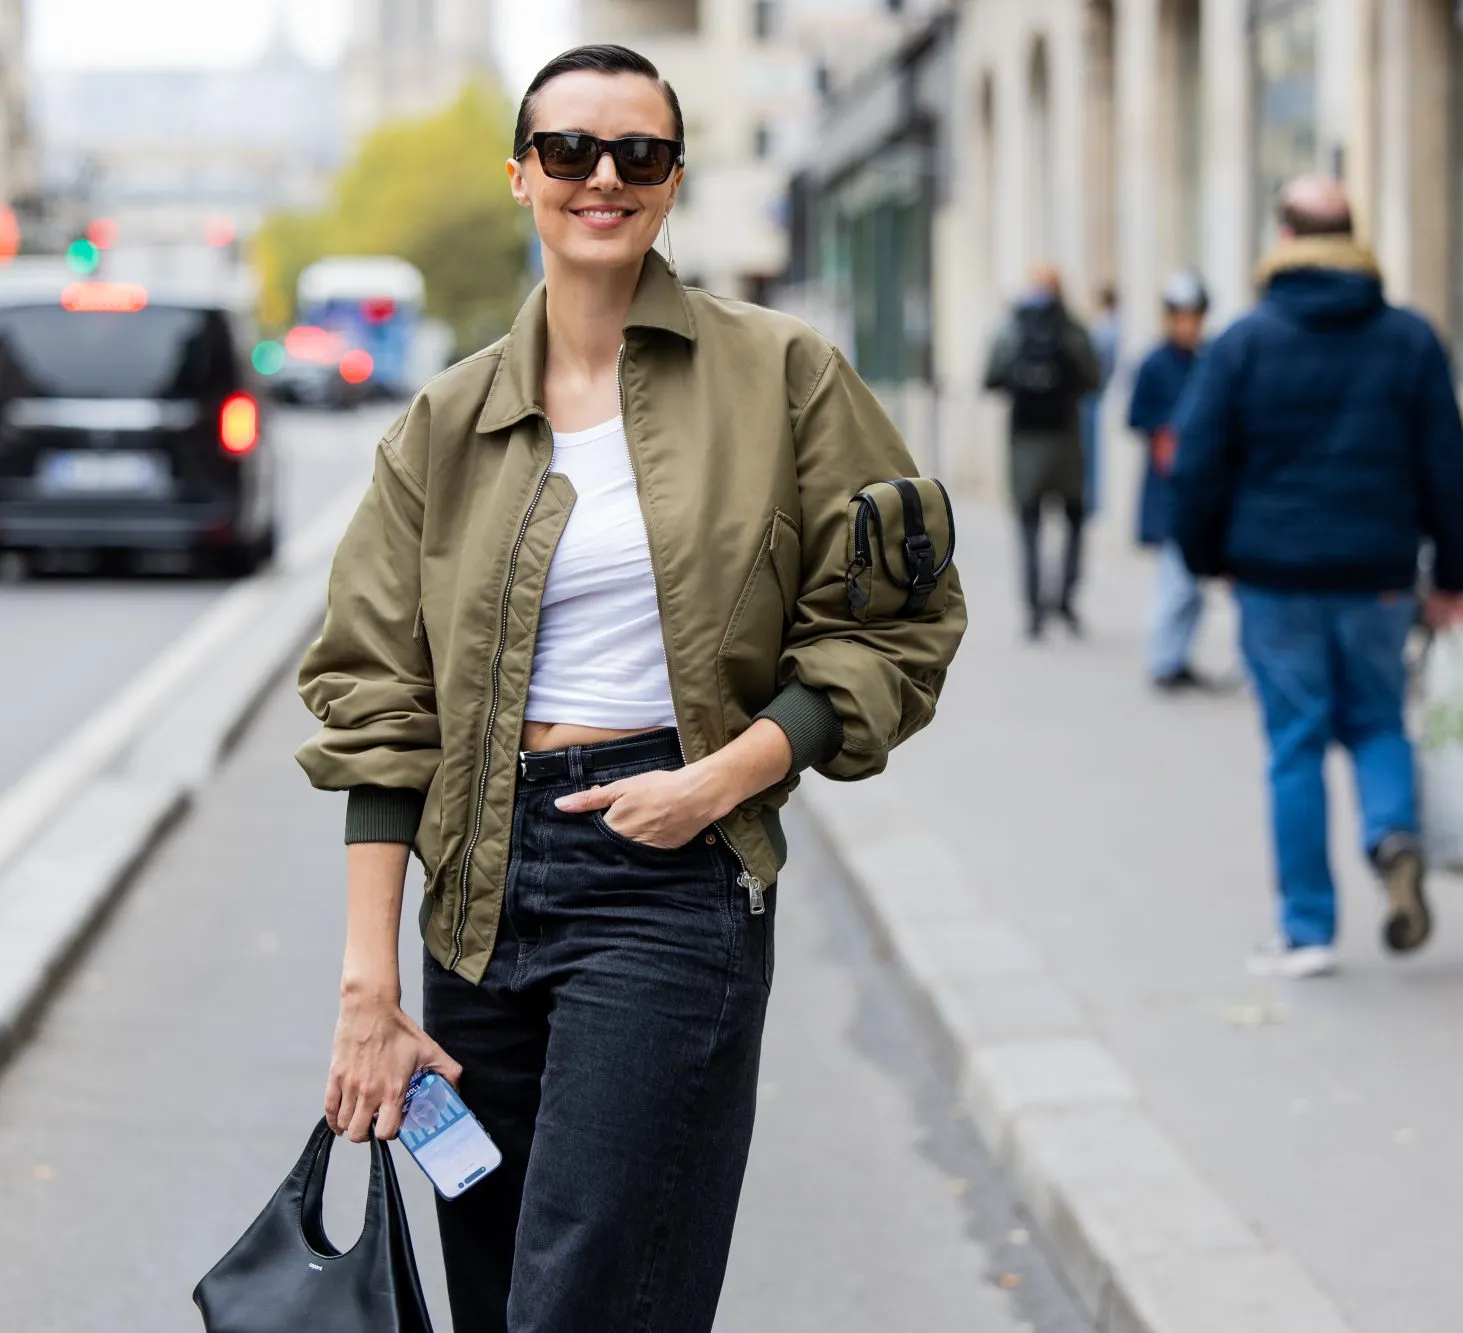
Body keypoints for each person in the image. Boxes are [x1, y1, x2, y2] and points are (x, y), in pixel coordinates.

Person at [296, 44, 967, 1333]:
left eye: (637, 154)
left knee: (588, 1302)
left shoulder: (782, 376)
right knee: (496, 1294)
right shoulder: (441, 424)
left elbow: (895, 617)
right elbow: (379, 704)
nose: (601, 177)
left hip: (669, 880)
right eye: (569, 151)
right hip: (477, 906)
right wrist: (365, 989)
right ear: (520, 175)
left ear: (670, 182)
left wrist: (730, 774)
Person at [1173, 177, 1463, 979]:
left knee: (1296, 743)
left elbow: (1198, 464)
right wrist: (1453, 573)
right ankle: (1393, 834)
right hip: (1379, 573)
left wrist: (1208, 557)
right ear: (1354, 235)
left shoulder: (1244, 341)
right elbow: (1449, 465)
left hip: (1274, 574)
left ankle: (1308, 929)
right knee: (1379, 720)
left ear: (1284, 235)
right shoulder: (1410, 339)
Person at [984, 266, 1101, 639]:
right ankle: (1064, 597)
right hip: (1066, 441)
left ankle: (1034, 611)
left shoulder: (1012, 329)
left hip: (1025, 445)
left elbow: (990, 378)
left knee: (1029, 527)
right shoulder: (1073, 329)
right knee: (1074, 523)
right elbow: (1094, 378)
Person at [1127, 270, 1213, 691]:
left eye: (1194, 317)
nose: (1187, 325)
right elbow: (1135, 416)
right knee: (1174, 580)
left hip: (1200, 487)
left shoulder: (1208, 359)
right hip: (1167, 487)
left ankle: (1179, 658)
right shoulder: (1154, 363)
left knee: (1194, 586)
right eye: (1180, 316)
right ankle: (1163, 659)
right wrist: (1166, 431)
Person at [1082, 283, 1120, 518]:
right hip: (1096, 395)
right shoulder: (1108, 327)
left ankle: (1092, 501)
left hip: (1096, 396)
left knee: (1091, 452)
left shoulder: (1105, 328)